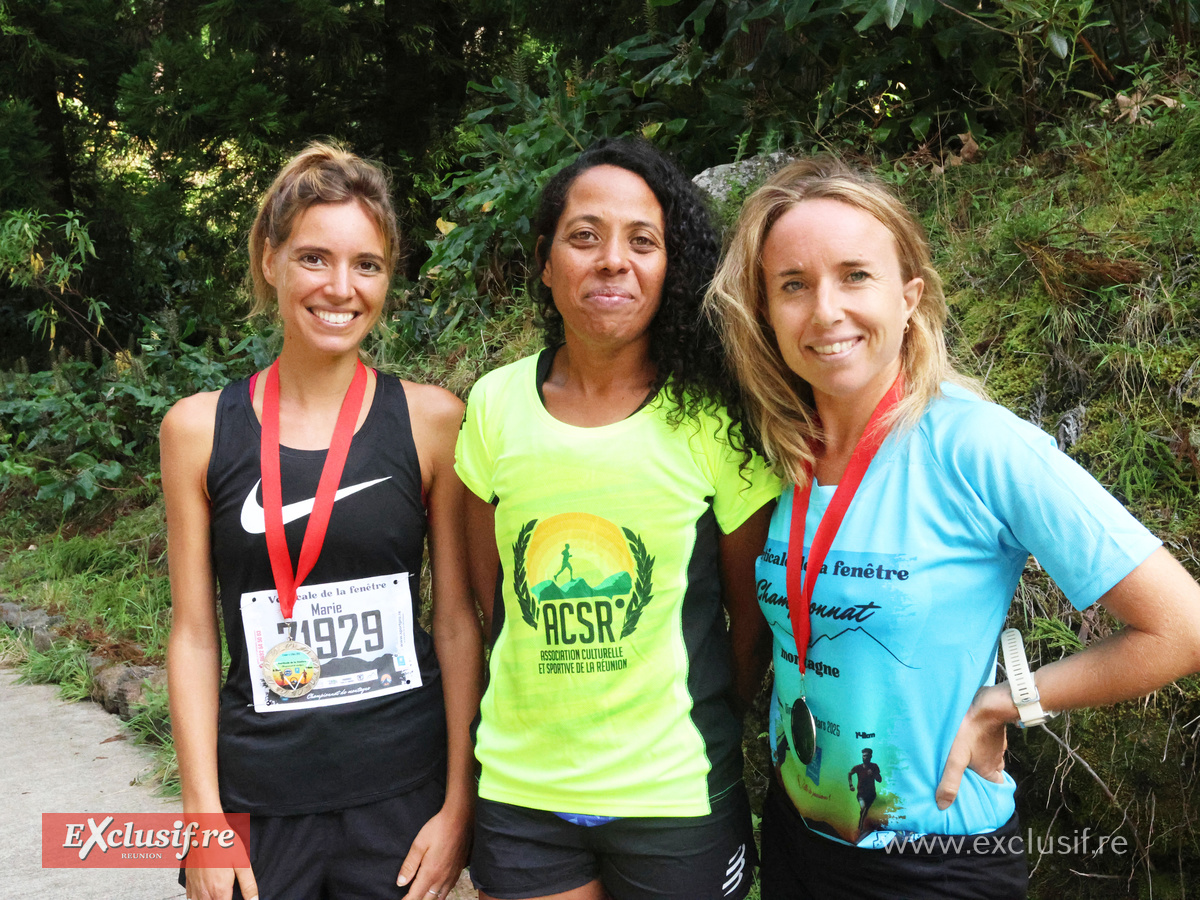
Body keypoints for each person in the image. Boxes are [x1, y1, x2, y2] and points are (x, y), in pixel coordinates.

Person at [705, 155, 1200, 898]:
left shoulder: (976, 445)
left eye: (855, 276)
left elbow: (1181, 627)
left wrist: (1012, 700)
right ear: (766, 310)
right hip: (797, 835)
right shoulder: (777, 452)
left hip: (934, 857)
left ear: (910, 298)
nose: (826, 310)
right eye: (794, 285)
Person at [455, 137, 781, 900]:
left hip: (677, 793)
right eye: (584, 236)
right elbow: (494, 604)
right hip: (523, 789)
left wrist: (694, 719)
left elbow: (750, 622)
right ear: (546, 261)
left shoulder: (712, 416)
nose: (612, 261)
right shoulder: (495, 404)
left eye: (642, 241)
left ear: (672, 267)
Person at [160, 142, 481, 900]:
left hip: (401, 799)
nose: (341, 288)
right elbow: (194, 635)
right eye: (314, 258)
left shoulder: (432, 421)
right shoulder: (197, 431)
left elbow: (456, 623)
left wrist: (458, 805)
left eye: (367, 265)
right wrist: (202, 817)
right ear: (270, 261)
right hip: (259, 799)